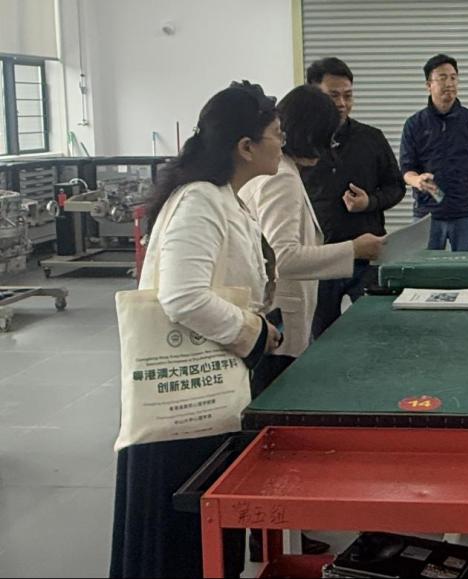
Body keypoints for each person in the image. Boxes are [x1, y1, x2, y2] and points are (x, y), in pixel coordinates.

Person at [110, 81, 283, 578]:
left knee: (204, 541)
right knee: (179, 546)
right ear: (245, 146)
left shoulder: (226, 197)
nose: (282, 144)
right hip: (182, 411)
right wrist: (254, 332)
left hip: (207, 394)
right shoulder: (200, 201)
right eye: (276, 134)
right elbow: (183, 296)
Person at [239, 83, 384, 560]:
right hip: (278, 321)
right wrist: (353, 249)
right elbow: (284, 258)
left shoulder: (279, 174)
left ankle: (275, 529)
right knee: (272, 432)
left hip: (278, 316)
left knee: (270, 428)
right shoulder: (280, 180)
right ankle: (270, 531)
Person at [303, 57, 405, 338]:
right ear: (313, 95)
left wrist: (369, 202)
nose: (341, 103)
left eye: (348, 96)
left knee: (377, 333)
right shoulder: (301, 145)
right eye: (333, 95)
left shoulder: (371, 138)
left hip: (367, 257)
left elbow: (396, 187)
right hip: (320, 259)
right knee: (320, 337)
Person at [400, 53, 468, 251]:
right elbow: (406, 169)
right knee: (423, 269)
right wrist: (418, 180)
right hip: (426, 214)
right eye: (442, 78)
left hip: (465, 212)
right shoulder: (414, 124)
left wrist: (462, 181)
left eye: (453, 77)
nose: (449, 83)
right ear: (428, 85)